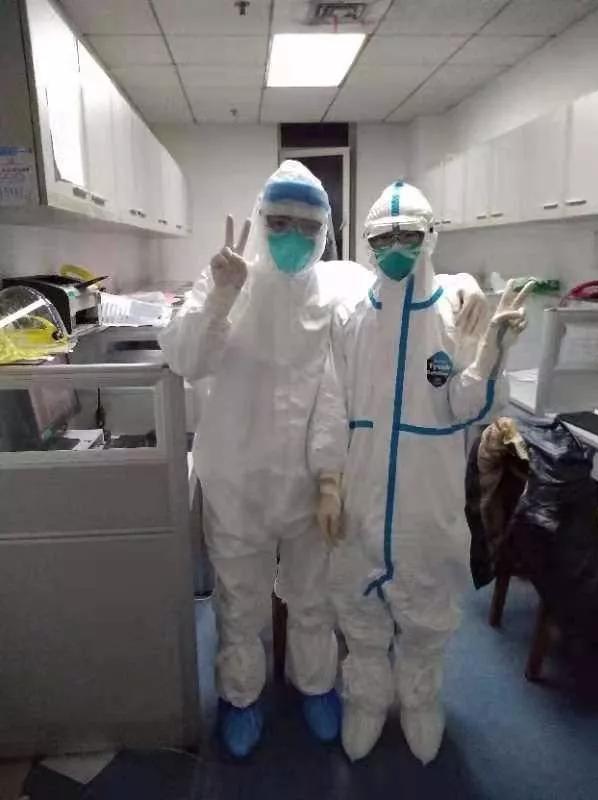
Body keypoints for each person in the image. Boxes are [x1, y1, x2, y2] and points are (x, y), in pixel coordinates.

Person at [159, 161, 489, 759]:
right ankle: (241, 697)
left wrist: (465, 284)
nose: (293, 236)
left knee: (314, 599)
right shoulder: (227, 278)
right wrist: (219, 299)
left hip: (311, 487)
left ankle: (314, 686)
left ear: (326, 232)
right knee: (240, 602)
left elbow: (405, 275)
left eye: (307, 227)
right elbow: (184, 358)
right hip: (236, 484)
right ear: (260, 220)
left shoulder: (337, 288)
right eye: (279, 223)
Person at [311, 180, 532, 764]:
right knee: (357, 605)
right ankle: (366, 699)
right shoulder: (351, 316)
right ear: (367, 244)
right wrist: (328, 481)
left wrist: (490, 353)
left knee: (427, 607)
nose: (396, 249)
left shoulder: (454, 313)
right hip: (361, 491)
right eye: (383, 239)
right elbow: (330, 403)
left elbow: (470, 408)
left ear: (431, 236)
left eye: (409, 236)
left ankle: (419, 699)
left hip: (426, 496)